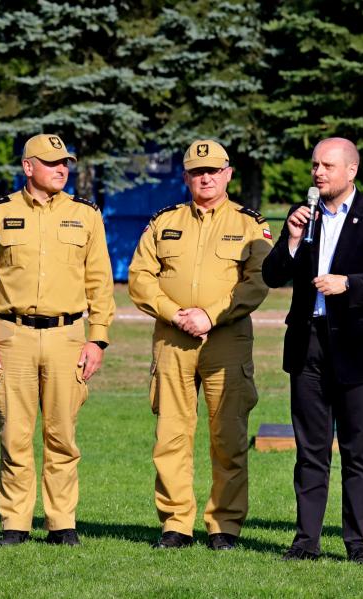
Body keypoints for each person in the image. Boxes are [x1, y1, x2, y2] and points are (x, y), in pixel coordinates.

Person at [262, 137, 363, 565]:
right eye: (315, 165)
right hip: (307, 343)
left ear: (351, 170)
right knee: (310, 450)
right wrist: (292, 241)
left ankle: (358, 544)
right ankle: (305, 542)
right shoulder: (304, 214)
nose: (318, 173)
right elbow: (272, 275)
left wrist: (350, 283)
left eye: (327, 165)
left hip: (358, 346)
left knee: (356, 451)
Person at [0, 133, 115, 547]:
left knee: (62, 436)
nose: (61, 169)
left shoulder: (86, 214)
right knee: (14, 435)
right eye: (51, 162)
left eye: (65, 162)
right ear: (28, 167)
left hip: (68, 338)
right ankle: (15, 523)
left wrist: (98, 339)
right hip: (11, 337)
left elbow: (100, 282)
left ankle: (61, 523)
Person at [128, 139, 273, 551]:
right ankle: (176, 524)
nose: (205, 178)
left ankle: (224, 525)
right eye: (197, 171)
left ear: (228, 174)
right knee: (171, 436)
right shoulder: (164, 221)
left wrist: (210, 315)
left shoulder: (250, 223)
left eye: (213, 171)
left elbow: (258, 281)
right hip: (172, 340)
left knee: (228, 436)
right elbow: (140, 277)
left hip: (227, 339)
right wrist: (174, 313)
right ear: (186, 176)